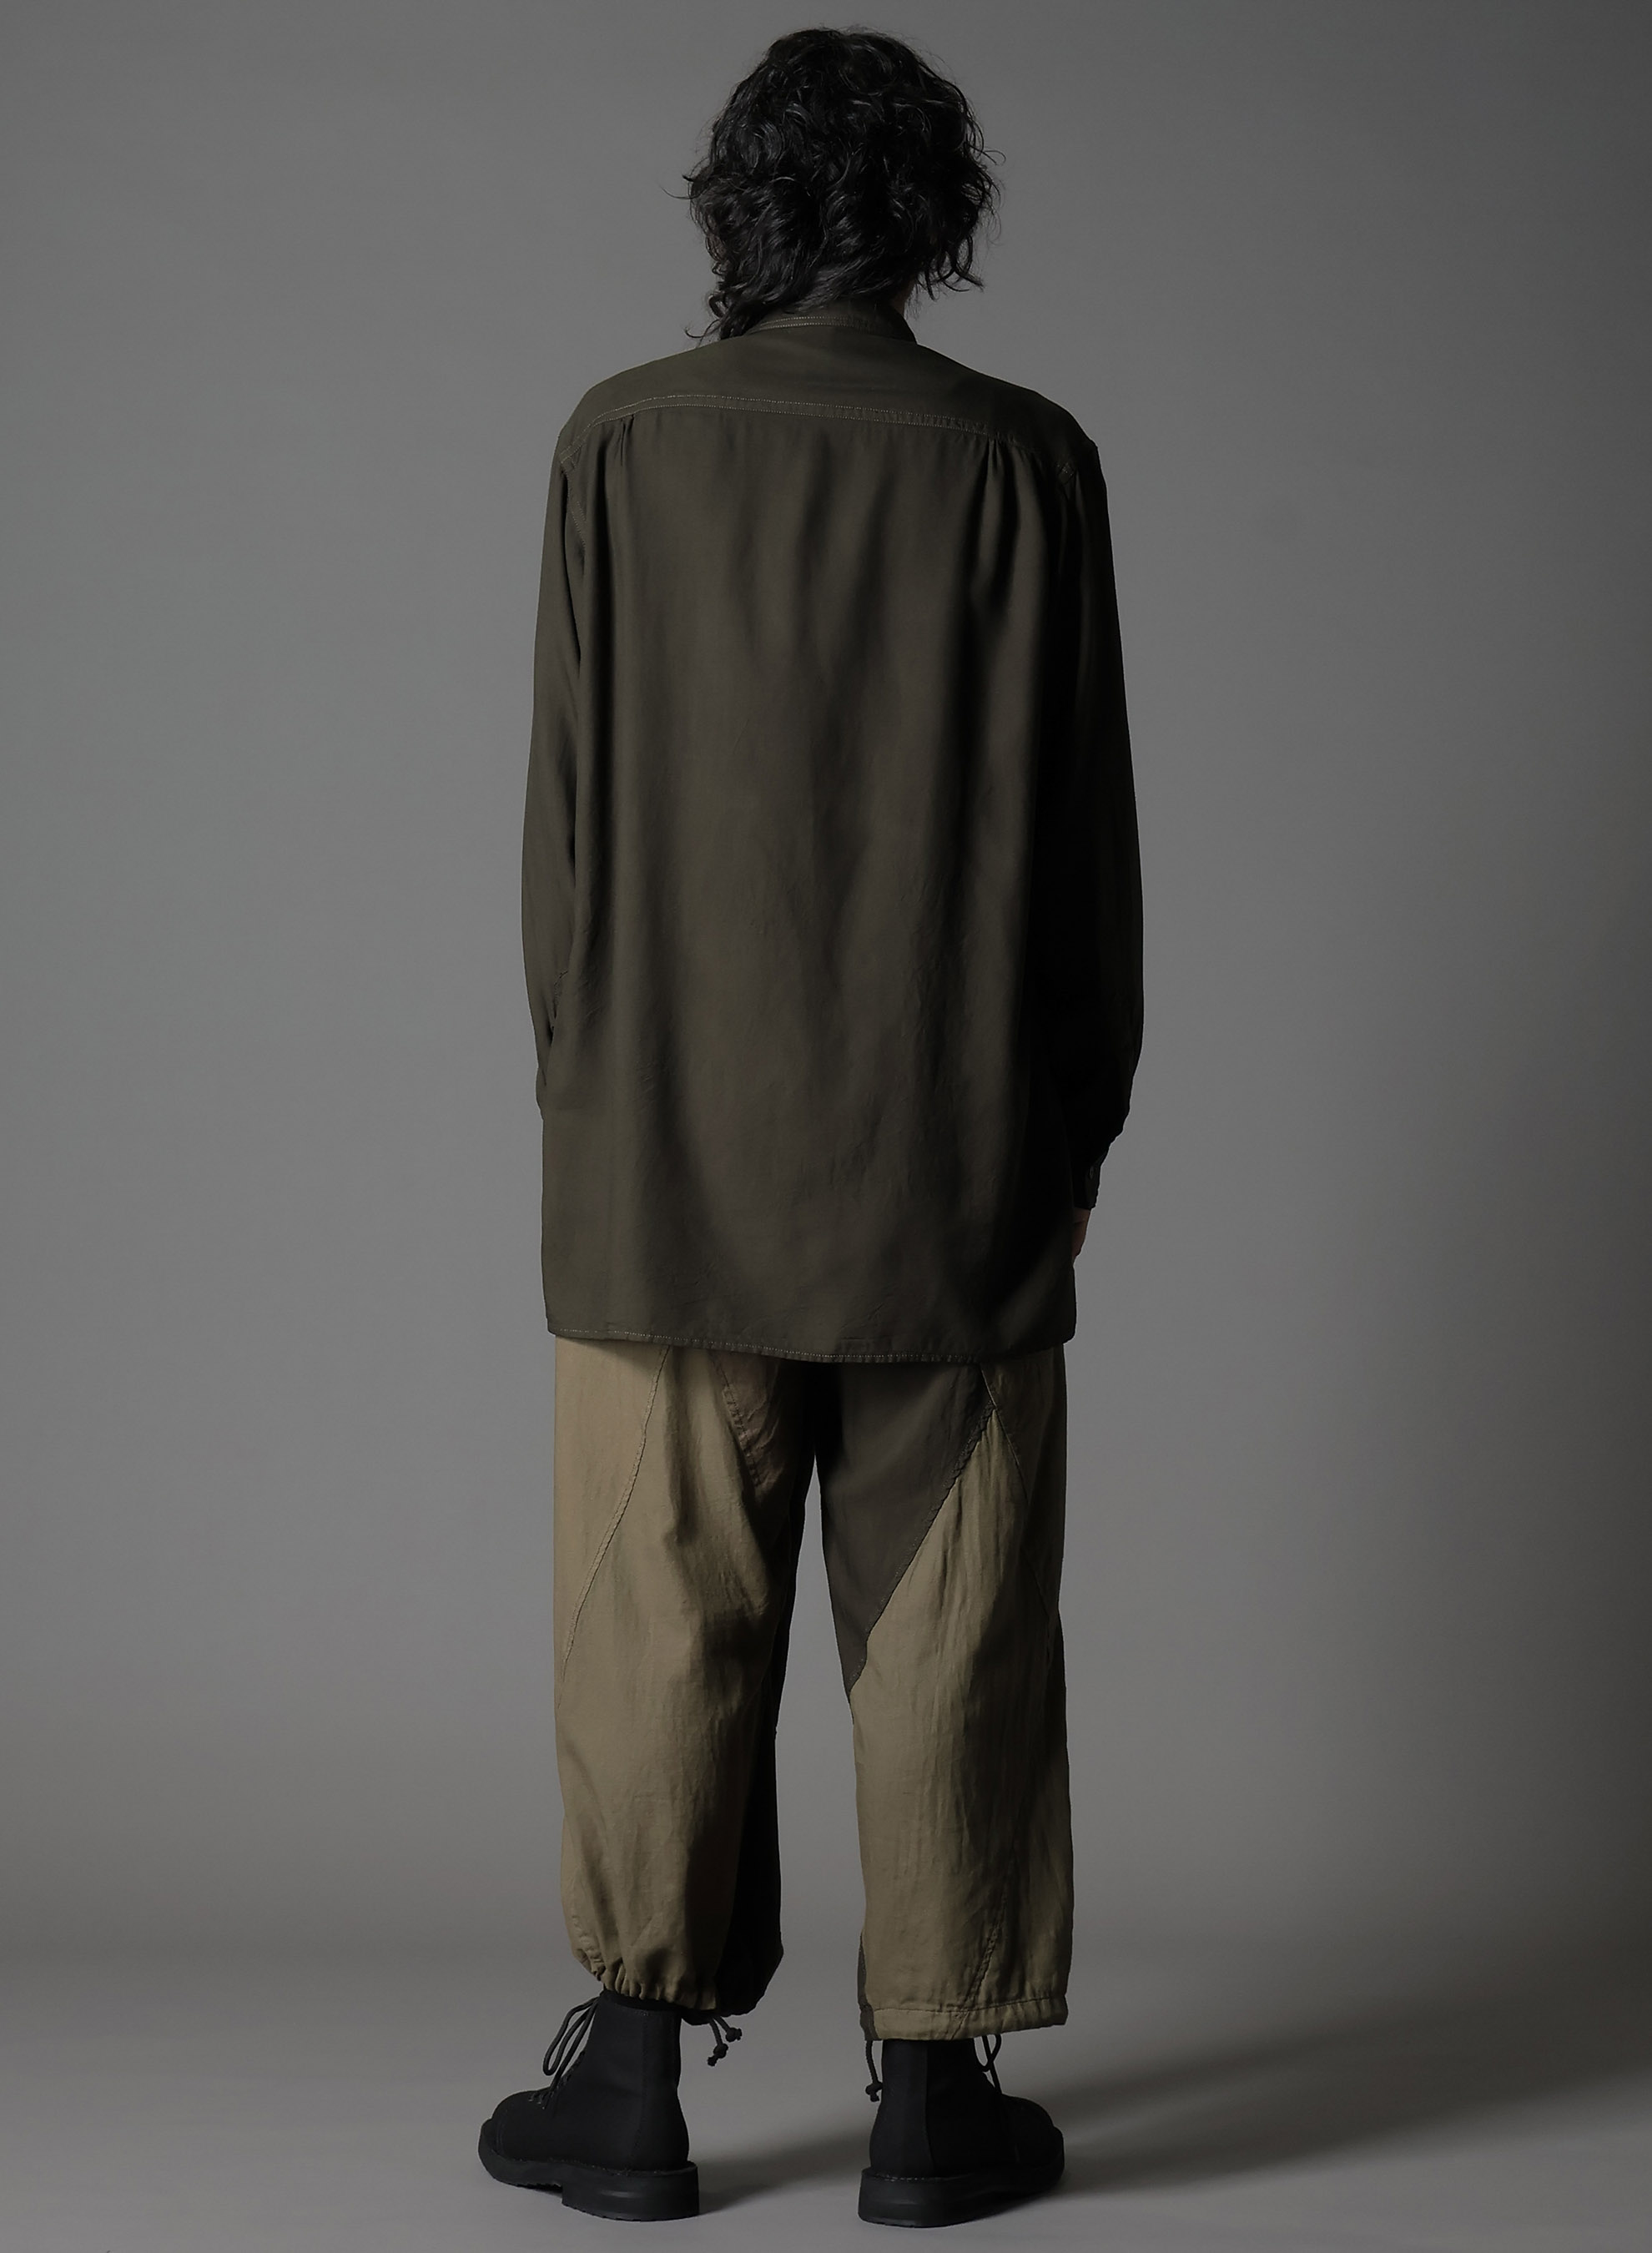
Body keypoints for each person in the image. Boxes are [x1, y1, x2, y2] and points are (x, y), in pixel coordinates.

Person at [477, 24, 1142, 2230]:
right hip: (957, 1155)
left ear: (736, 206)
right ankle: (934, 2096)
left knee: (657, 1605)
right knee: (954, 1616)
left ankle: (631, 2082)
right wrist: (1069, 1130)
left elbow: (566, 843)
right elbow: (1084, 847)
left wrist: (592, 1095)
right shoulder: (1026, 461)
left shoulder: (623, 440)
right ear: (933, 215)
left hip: (661, 1156)